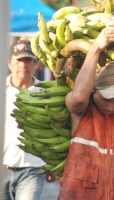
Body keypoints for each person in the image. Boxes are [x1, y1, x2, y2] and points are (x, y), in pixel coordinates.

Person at [58, 16, 114, 200]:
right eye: (107, 97)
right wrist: (97, 47)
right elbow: (78, 96)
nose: (111, 104)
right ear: (94, 90)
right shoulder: (81, 110)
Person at [3, 39, 46, 200]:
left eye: (28, 60)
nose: (23, 65)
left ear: (35, 65)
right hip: (3, 168)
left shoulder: (45, 93)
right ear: (9, 63)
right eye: (18, 60)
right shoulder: (2, 91)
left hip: (32, 169)